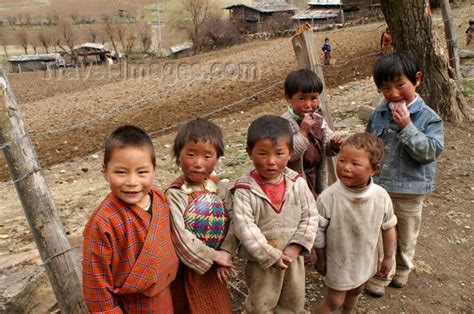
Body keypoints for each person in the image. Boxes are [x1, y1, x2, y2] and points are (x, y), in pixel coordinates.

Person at [365, 51, 444, 297]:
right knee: (380, 230)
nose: (394, 94)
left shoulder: (429, 118)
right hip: (379, 187)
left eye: (400, 85)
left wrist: (407, 127)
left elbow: (429, 152)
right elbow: (369, 145)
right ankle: (382, 271)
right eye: (386, 88)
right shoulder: (379, 113)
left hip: (410, 189)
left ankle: (403, 267)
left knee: (406, 231)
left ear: (417, 79)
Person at [224, 115, 318, 313]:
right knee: (260, 304)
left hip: (293, 259)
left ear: (291, 153)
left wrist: (296, 246)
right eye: (263, 153)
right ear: (249, 152)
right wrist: (270, 255)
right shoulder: (244, 190)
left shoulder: (297, 183)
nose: (271, 161)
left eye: (279, 153)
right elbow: (245, 227)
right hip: (261, 263)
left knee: (293, 302)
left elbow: (310, 216)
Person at [82, 125, 179, 313]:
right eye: (121, 172)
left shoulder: (160, 199)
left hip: (167, 294)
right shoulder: (103, 223)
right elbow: (96, 285)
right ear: (105, 172)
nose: (132, 182)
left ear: (154, 170)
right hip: (131, 306)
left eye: (142, 172)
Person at [314, 132, 397, 313]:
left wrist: (388, 257)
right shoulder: (329, 197)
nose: (345, 167)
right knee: (334, 301)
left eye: (355, 164)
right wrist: (321, 258)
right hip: (339, 261)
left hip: (365, 258)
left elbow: (388, 227)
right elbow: (317, 231)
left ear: (374, 169)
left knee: (356, 290)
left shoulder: (380, 196)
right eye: (342, 160)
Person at [166, 118, 235, 313]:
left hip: (215, 269)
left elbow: (234, 220)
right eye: (191, 154)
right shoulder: (175, 194)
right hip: (188, 268)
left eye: (207, 156)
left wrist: (226, 253)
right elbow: (179, 236)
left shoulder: (219, 188)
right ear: (178, 156)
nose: (198, 163)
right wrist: (214, 256)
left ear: (217, 157)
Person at [281, 68, 343, 201]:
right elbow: (289, 155)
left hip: (316, 176)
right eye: (302, 98)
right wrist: (303, 132)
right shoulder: (284, 123)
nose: (308, 105)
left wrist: (333, 145)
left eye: (314, 98)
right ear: (288, 98)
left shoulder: (318, 120)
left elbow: (326, 147)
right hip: (296, 181)